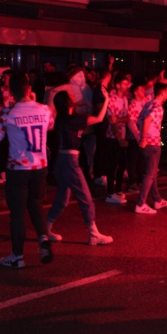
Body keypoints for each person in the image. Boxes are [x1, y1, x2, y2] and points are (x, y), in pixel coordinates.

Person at [0, 72, 54, 268]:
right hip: (40, 166)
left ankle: (17, 256)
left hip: (18, 168)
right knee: (36, 205)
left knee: (18, 212)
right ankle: (43, 238)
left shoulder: (7, 113)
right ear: (29, 89)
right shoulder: (45, 110)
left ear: (11, 92)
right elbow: (50, 127)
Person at [45, 87, 113, 245]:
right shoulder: (73, 120)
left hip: (61, 161)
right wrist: (107, 100)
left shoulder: (61, 119)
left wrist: (78, 103)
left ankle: (46, 229)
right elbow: (99, 118)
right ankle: (93, 233)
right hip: (70, 161)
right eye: (71, 97)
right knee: (86, 199)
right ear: (68, 103)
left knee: (62, 199)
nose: (74, 98)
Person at [135, 83, 167, 214]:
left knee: (152, 172)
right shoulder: (158, 107)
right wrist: (144, 138)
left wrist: (142, 137)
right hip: (153, 144)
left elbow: (139, 121)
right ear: (162, 93)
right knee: (150, 174)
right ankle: (140, 204)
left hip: (148, 143)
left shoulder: (148, 104)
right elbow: (146, 120)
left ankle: (157, 200)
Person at [105, 72, 130, 204]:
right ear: (118, 85)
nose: (127, 86)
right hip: (112, 136)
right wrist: (119, 139)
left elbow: (127, 118)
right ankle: (110, 193)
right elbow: (111, 120)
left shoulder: (125, 99)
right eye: (125, 84)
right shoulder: (112, 99)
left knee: (122, 164)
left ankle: (119, 190)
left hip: (122, 136)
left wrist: (120, 119)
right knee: (112, 165)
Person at [127, 83, 147, 192]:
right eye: (141, 90)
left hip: (142, 136)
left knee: (141, 160)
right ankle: (131, 182)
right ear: (135, 92)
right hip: (135, 137)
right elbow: (131, 122)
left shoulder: (144, 103)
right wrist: (137, 136)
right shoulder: (132, 105)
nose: (143, 91)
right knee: (133, 160)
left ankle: (140, 180)